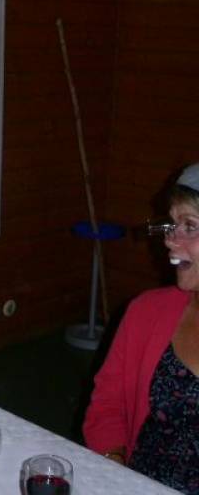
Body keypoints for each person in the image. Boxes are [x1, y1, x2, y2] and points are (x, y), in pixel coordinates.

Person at [83, 163, 199, 494]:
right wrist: (114, 465)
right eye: (171, 224)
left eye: (189, 226)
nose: (169, 240)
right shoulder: (146, 312)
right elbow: (107, 404)